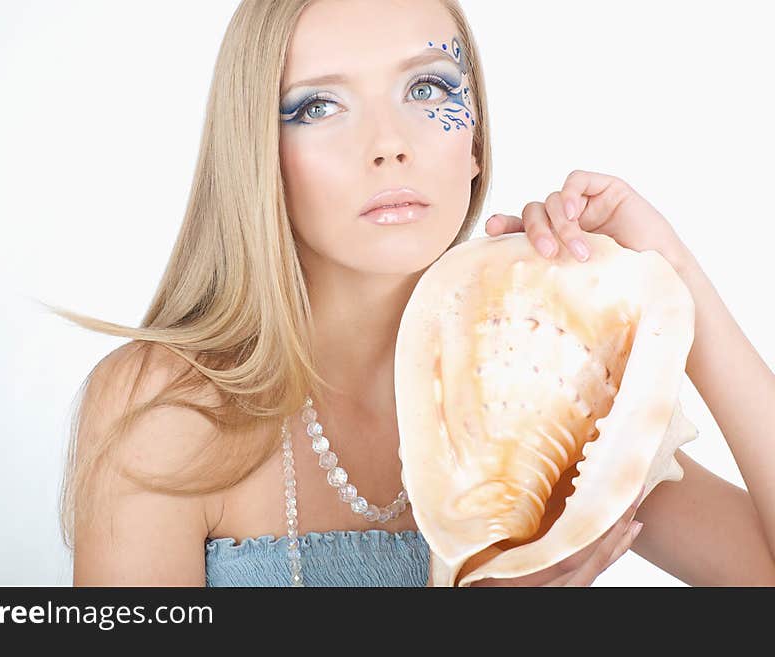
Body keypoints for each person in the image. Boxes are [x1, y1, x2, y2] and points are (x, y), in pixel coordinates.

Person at [52, 0, 775, 586]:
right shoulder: (165, 410)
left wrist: (672, 276)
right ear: (257, 156)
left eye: (426, 88)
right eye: (318, 106)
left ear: (476, 144)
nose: (389, 142)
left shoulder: (552, 379)